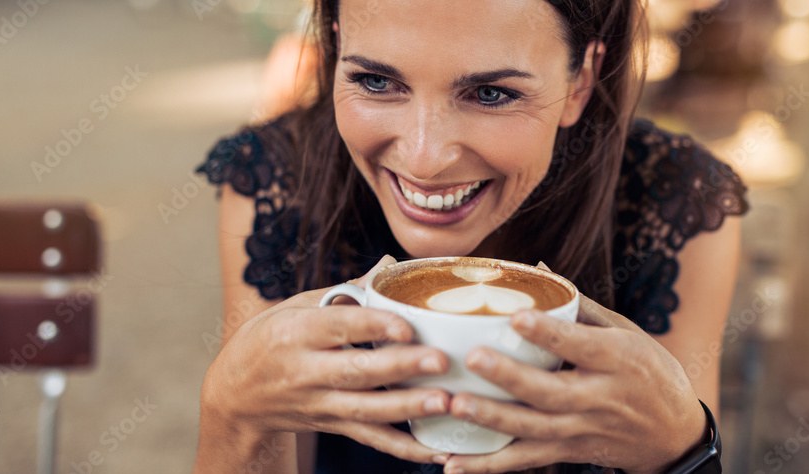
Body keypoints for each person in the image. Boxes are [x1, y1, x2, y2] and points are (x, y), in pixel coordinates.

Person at [193, 0, 748, 472]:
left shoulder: (677, 201)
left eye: (490, 94)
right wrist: (233, 415)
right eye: (377, 81)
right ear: (336, 48)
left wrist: (682, 447)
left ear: (581, 79)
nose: (425, 159)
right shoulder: (275, 176)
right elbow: (256, 429)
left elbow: (680, 443)